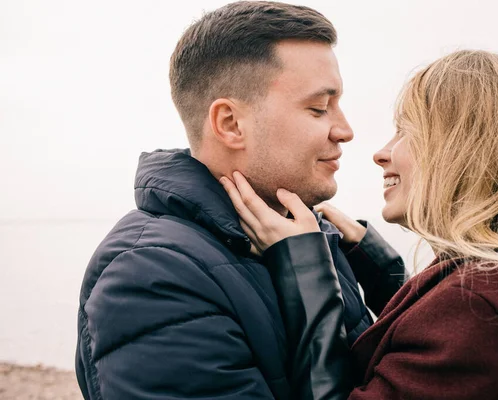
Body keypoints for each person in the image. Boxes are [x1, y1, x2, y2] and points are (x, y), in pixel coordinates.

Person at [221, 50, 498, 399]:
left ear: (466, 151)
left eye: (406, 131)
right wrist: (378, 266)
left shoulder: (478, 304)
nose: (381, 152)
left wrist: (302, 268)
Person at [74, 2, 406, 399]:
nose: (346, 130)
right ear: (231, 124)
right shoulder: (151, 275)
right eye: (319, 108)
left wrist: (380, 271)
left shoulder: (304, 237)